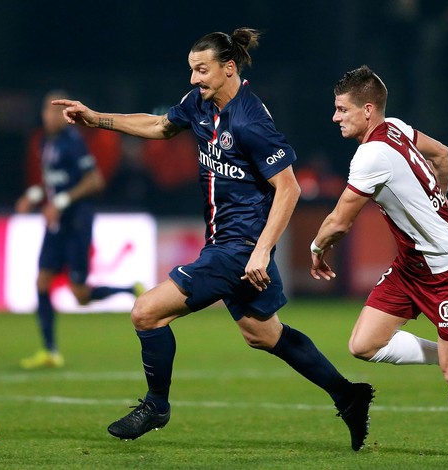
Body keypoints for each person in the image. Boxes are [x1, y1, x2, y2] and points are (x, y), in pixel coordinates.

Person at [52, 28, 374, 450]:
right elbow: (160, 125)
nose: (193, 79)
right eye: (191, 71)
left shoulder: (250, 120)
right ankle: (348, 395)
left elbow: (289, 188)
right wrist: (98, 119)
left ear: (228, 69)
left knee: (146, 312)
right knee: (263, 334)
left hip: (239, 249)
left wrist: (259, 251)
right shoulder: (199, 105)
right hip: (224, 244)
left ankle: (156, 406)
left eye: (201, 71)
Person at [309, 66, 448, 458]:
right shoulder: (398, 127)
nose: (335, 117)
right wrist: (437, 199)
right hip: (412, 263)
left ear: (367, 110)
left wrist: (317, 249)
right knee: (364, 344)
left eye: (342, 110)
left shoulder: (370, 154)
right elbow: (442, 153)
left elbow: (339, 220)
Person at [15, 90, 142, 370]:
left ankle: (128, 289)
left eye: (54, 112)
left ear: (64, 116)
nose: (49, 117)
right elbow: (51, 184)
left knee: (80, 295)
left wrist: (60, 202)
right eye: (45, 111)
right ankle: (49, 351)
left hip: (77, 222)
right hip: (57, 223)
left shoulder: (73, 143)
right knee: (42, 282)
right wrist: (33, 196)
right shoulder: (45, 144)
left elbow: (94, 181)